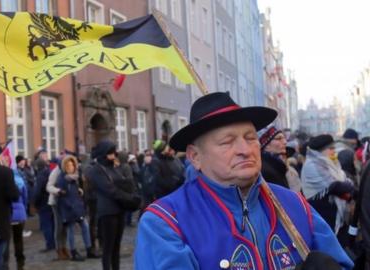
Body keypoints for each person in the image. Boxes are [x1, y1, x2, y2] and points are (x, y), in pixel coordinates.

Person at [135, 93, 353, 269]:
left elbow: (341, 263)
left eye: (250, 138)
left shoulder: (294, 205)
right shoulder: (166, 222)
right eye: (227, 142)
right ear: (195, 157)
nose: (245, 150)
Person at [86, 140, 128, 270]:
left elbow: (123, 182)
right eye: (111, 153)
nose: (114, 156)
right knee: (108, 248)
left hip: (119, 209)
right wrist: (129, 198)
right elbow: (110, 189)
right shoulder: (96, 170)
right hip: (107, 212)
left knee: (116, 246)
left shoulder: (113, 167)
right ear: (105, 154)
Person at [301, 134, 355, 233]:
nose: (334, 151)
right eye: (331, 148)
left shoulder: (330, 163)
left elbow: (343, 180)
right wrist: (351, 187)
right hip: (321, 214)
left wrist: (348, 185)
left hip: (335, 215)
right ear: (321, 151)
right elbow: (335, 186)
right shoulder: (311, 165)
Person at [56, 155, 97, 261]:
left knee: (85, 227)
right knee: (70, 230)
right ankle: (73, 252)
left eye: (72, 165)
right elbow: (62, 196)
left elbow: (75, 191)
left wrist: (80, 193)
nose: (71, 167)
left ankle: (89, 250)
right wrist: (70, 205)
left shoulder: (75, 177)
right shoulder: (62, 179)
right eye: (68, 165)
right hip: (69, 209)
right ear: (65, 166)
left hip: (77, 207)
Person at [3, 170, 28, 270]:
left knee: (6, 240)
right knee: (18, 239)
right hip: (20, 214)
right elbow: (26, 197)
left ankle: (6, 262)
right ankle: (20, 260)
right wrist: (24, 208)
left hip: (8, 214)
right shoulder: (21, 182)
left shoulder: (4, 184)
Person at [33, 156, 56, 255]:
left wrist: (34, 202)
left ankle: (50, 244)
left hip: (43, 203)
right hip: (51, 201)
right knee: (52, 224)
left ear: (37, 166)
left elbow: (37, 191)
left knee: (46, 225)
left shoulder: (40, 175)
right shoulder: (49, 172)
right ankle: (54, 243)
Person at [258, 125, 290, 189]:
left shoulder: (276, 164)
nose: (285, 142)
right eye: (279, 138)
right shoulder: (264, 170)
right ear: (266, 145)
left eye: (284, 138)